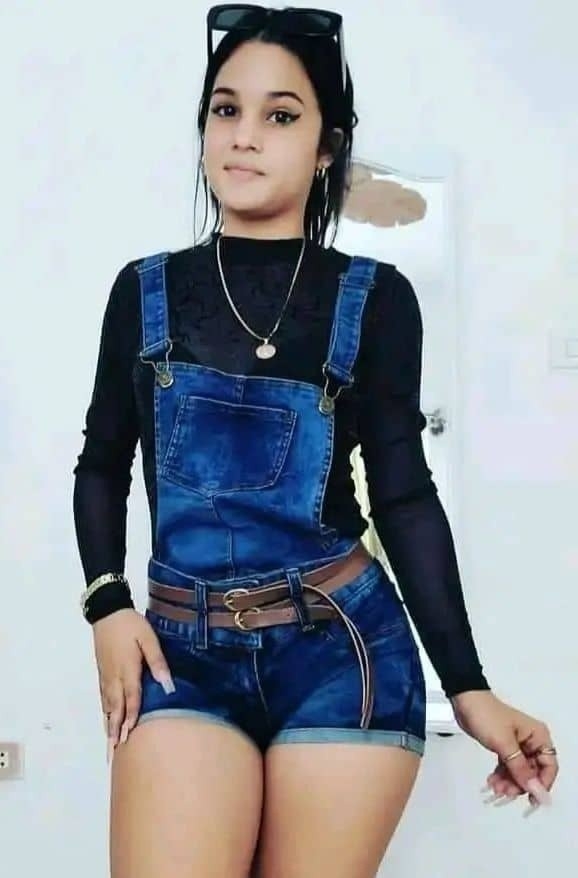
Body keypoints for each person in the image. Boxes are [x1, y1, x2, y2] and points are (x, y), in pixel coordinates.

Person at [73, 6, 558, 877]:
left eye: (281, 115)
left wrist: (468, 685)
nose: (245, 135)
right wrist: (108, 603)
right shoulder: (143, 292)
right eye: (226, 109)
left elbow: (404, 499)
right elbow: (102, 463)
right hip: (182, 652)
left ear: (327, 147)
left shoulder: (376, 300)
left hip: (343, 650)